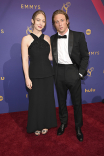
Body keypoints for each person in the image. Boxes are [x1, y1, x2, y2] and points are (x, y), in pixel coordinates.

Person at [51, 10, 89, 141]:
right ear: (54, 25)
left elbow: (85, 57)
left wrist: (79, 73)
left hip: (73, 71)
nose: (60, 23)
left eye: (62, 20)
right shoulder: (52, 38)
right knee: (61, 102)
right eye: (56, 21)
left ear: (67, 21)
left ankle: (78, 127)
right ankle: (63, 123)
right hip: (59, 73)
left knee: (77, 103)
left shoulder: (78, 36)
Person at [21, 10, 57, 136]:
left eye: (43, 21)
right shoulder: (26, 39)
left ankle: (46, 124)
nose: (41, 23)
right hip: (34, 74)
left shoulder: (48, 38)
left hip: (48, 74)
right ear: (33, 21)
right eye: (38, 20)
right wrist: (27, 77)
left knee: (47, 99)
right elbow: (25, 60)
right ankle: (36, 124)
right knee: (35, 101)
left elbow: (51, 57)